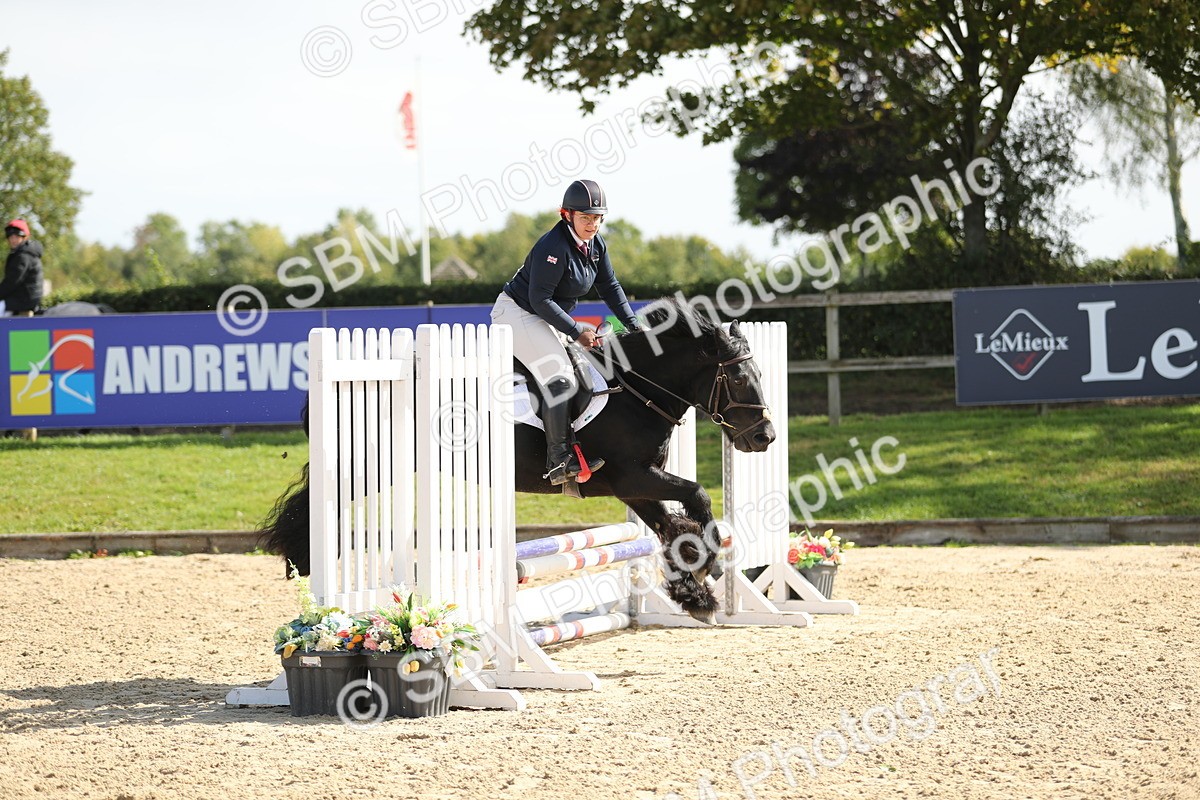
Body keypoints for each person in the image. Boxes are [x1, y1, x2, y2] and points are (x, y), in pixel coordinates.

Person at [491, 179, 641, 485]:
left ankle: (574, 445)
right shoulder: (553, 246)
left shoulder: (596, 245)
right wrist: (575, 331)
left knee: (584, 373)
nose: (592, 224)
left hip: (543, 316)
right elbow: (539, 300)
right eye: (585, 217)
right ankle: (558, 461)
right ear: (567, 215)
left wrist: (635, 326)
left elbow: (610, 286)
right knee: (559, 377)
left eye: (597, 217)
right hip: (518, 313)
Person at [2, 219, 44, 317]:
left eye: (16, 237)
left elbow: (11, 282)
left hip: (24, 300)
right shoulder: (21, 253)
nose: (13, 240)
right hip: (23, 298)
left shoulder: (23, 256)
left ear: (24, 237)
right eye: (11, 237)